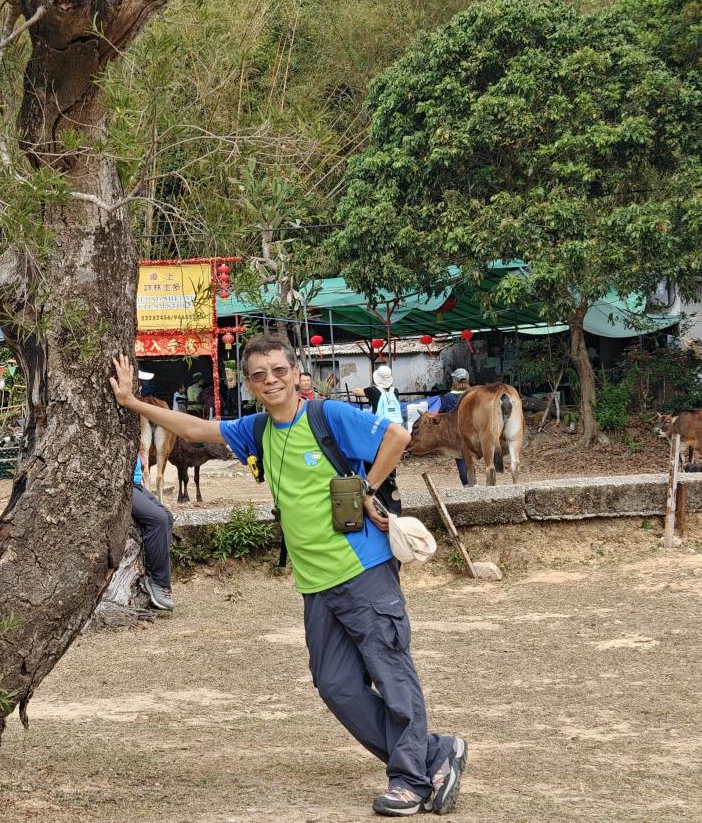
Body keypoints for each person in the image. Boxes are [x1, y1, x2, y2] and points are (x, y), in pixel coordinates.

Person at [111, 339, 467, 817]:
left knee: (390, 672)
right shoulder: (257, 429)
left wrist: (366, 487)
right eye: (259, 374)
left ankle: (410, 780)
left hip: (363, 569)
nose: (270, 380)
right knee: (335, 685)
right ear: (249, 384)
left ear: (297, 373)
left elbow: (396, 437)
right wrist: (132, 402)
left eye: (278, 370)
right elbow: (195, 427)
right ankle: (433, 753)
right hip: (315, 583)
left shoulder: (327, 415)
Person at [130, 449, 176, 611]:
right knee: (158, 519)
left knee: (167, 517)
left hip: (136, 484)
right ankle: (157, 581)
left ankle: (155, 574)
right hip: (123, 487)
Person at [423, 368, 473, 486]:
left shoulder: (447, 397)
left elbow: (440, 414)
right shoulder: (472, 395)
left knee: (461, 460)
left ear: (454, 381)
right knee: (469, 458)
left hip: (456, 434)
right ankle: (473, 483)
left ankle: (467, 485)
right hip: (471, 432)